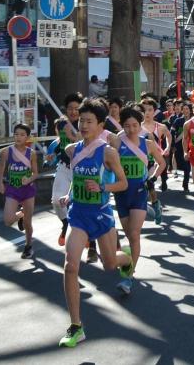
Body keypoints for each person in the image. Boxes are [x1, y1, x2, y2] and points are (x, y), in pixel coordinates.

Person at [58, 98, 131, 348]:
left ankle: (126, 259)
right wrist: (69, 195)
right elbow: (75, 177)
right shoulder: (72, 150)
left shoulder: (108, 152)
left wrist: (102, 186)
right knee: (70, 266)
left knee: (109, 264)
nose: (84, 125)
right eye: (81, 120)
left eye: (89, 121)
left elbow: (123, 183)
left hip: (100, 215)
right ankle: (76, 326)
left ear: (101, 125)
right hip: (78, 215)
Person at [109, 105, 165, 294]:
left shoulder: (147, 144)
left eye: (134, 125)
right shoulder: (117, 143)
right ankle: (151, 209)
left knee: (133, 234)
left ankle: (128, 277)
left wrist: (153, 178)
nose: (131, 129)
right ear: (122, 125)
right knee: (128, 234)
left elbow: (162, 162)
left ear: (140, 124)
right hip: (121, 193)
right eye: (127, 125)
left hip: (140, 191)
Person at [0, 123, 38, 259]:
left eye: (22, 135)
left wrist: (29, 179)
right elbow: (2, 167)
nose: (18, 137)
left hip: (28, 190)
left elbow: (36, 173)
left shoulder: (31, 153)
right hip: (12, 189)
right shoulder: (6, 152)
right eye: (16, 134)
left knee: (28, 222)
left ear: (27, 137)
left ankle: (28, 245)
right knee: (8, 220)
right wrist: (0, 183)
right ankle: (20, 214)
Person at [52, 93, 85, 251]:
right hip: (64, 166)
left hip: (81, 169)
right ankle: (65, 223)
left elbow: (79, 142)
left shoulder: (85, 125)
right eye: (70, 109)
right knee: (57, 200)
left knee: (81, 204)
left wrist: (73, 134)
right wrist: (55, 152)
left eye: (76, 109)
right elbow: (61, 143)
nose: (73, 112)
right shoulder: (61, 124)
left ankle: (88, 239)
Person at [140, 98, 172, 224]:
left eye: (149, 110)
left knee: (149, 185)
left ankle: (155, 206)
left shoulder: (161, 127)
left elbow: (169, 136)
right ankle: (151, 205)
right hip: (138, 161)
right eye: (144, 110)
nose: (147, 113)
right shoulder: (136, 126)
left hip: (153, 161)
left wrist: (167, 147)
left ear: (154, 111)